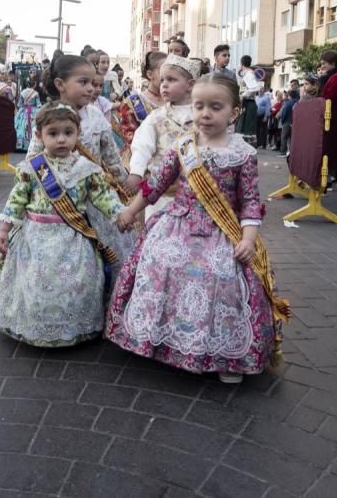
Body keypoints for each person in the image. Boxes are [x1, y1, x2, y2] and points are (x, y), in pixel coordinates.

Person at [106, 72, 288, 384]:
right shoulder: (183, 145)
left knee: (221, 278)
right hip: (176, 224)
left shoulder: (242, 153)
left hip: (221, 231)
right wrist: (131, 210)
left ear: (234, 112)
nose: (204, 114)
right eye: (198, 106)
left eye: (215, 107)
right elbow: (156, 185)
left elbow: (249, 201)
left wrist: (248, 238)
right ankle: (157, 341)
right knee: (159, 264)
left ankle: (226, 356)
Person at [0, 103, 126, 347]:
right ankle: (36, 327)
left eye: (68, 132)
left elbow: (104, 197)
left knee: (77, 282)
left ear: (77, 134)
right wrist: (4, 229)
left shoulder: (87, 169)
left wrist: (121, 215)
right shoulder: (32, 169)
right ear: (40, 136)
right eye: (53, 133)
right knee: (34, 283)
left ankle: (74, 328)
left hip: (74, 238)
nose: (61, 139)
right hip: (36, 238)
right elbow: (16, 199)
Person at [33, 54, 134, 282]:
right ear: (60, 84)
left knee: (98, 264)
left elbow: (110, 158)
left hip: (96, 202)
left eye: (93, 83)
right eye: (83, 82)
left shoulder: (96, 116)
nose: (91, 89)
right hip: (57, 205)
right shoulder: (47, 117)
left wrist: (125, 187)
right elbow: (34, 160)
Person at [124, 54, 199, 216]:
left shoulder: (202, 116)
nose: (164, 85)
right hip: (162, 195)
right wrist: (136, 172)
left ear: (190, 85)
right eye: (163, 80)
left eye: (171, 80)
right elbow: (142, 146)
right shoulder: (156, 117)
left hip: (197, 194)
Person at [119, 51, 166, 146]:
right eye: (164, 71)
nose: (169, 75)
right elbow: (130, 138)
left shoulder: (176, 100)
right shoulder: (132, 103)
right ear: (149, 74)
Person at [235, 55, 261, 144]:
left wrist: (243, 96)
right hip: (247, 103)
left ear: (241, 64)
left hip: (248, 103)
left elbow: (255, 88)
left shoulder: (249, 74)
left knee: (246, 131)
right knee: (242, 130)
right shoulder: (247, 73)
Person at [278, 88, 300, 156]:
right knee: (292, 138)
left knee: (284, 137)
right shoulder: (299, 102)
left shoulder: (288, 103)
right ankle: (291, 152)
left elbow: (284, 113)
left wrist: (282, 120)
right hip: (295, 122)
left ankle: (283, 152)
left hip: (287, 122)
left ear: (290, 95)